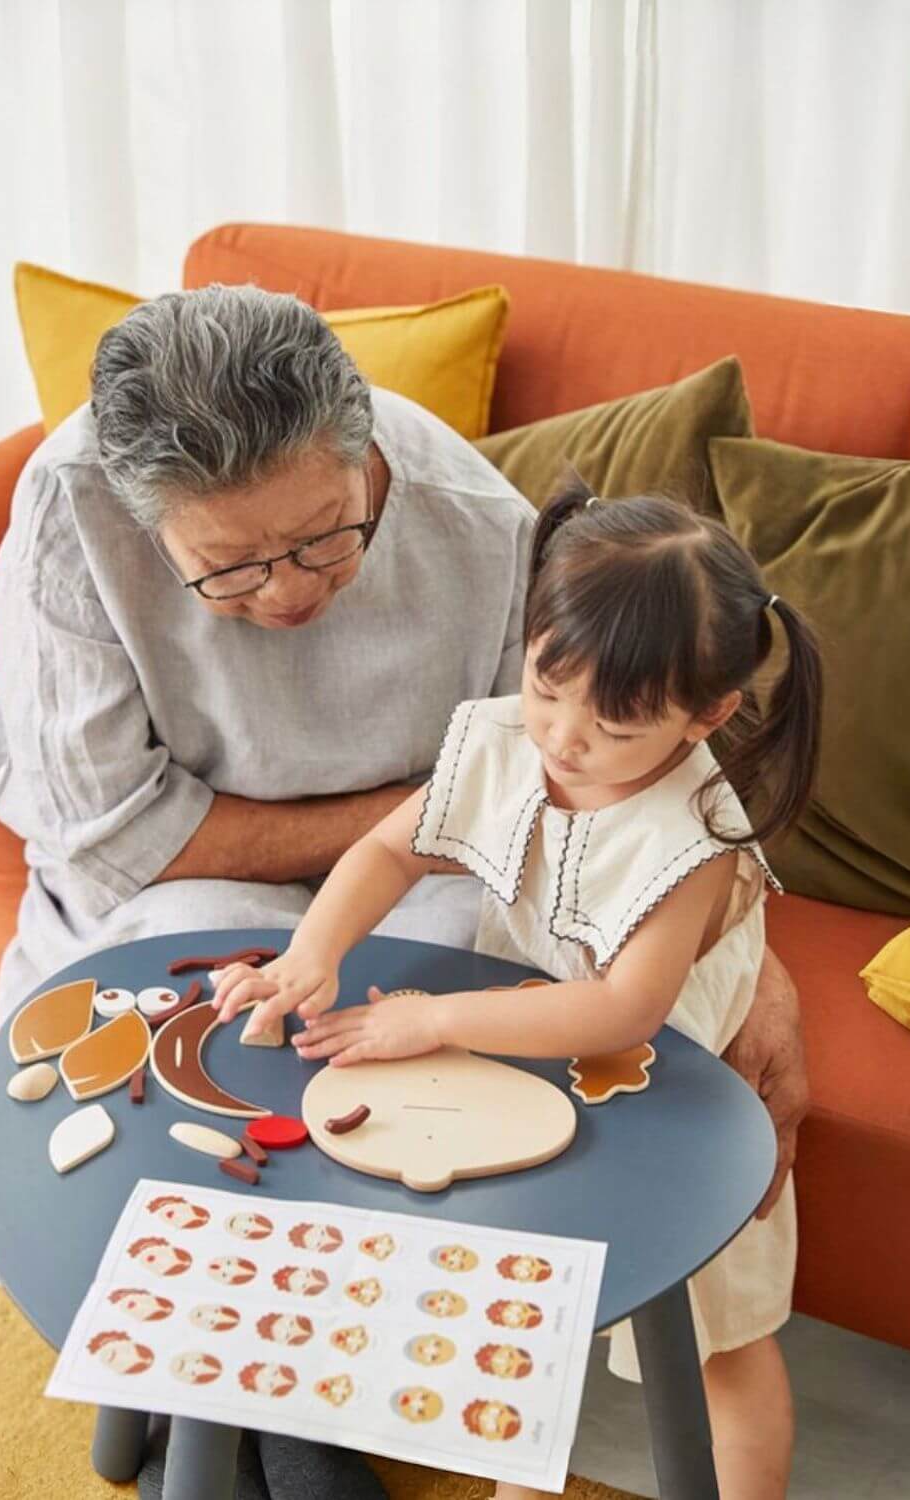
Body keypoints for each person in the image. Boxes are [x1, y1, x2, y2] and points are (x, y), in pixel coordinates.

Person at [216, 482, 824, 1500]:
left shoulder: (698, 834)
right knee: (515, 1285)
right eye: (548, 683)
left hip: (679, 1093)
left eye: (617, 722)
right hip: (529, 1048)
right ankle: (513, 1478)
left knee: (722, 1343)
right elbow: (387, 848)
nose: (565, 736)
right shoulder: (505, 738)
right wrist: (310, 952)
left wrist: (436, 1019)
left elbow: (627, 1011)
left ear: (706, 714)